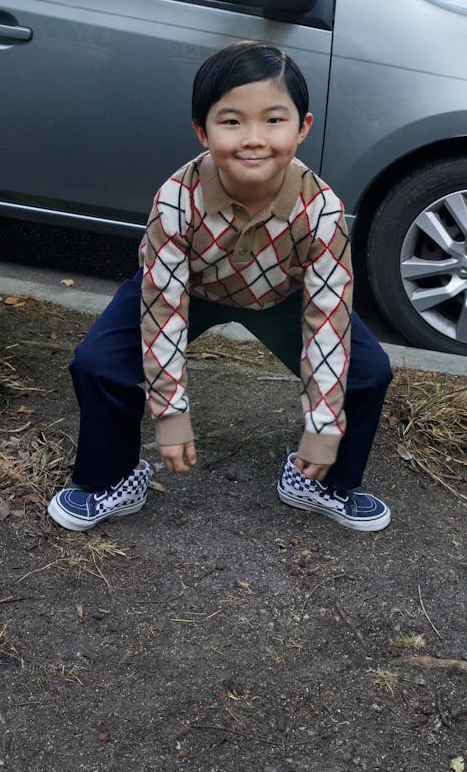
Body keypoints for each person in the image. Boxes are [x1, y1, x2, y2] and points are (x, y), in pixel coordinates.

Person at [48, 41, 393, 534]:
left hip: (283, 297)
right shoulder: (176, 199)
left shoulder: (323, 211)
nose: (254, 138)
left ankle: (323, 481)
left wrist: (323, 424)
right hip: (188, 291)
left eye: (274, 120)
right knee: (99, 363)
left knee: (367, 371)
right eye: (231, 121)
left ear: (303, 127)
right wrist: (171, 414)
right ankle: (112, 478)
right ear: (201, 131)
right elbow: (163, 307)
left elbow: (328, 317)